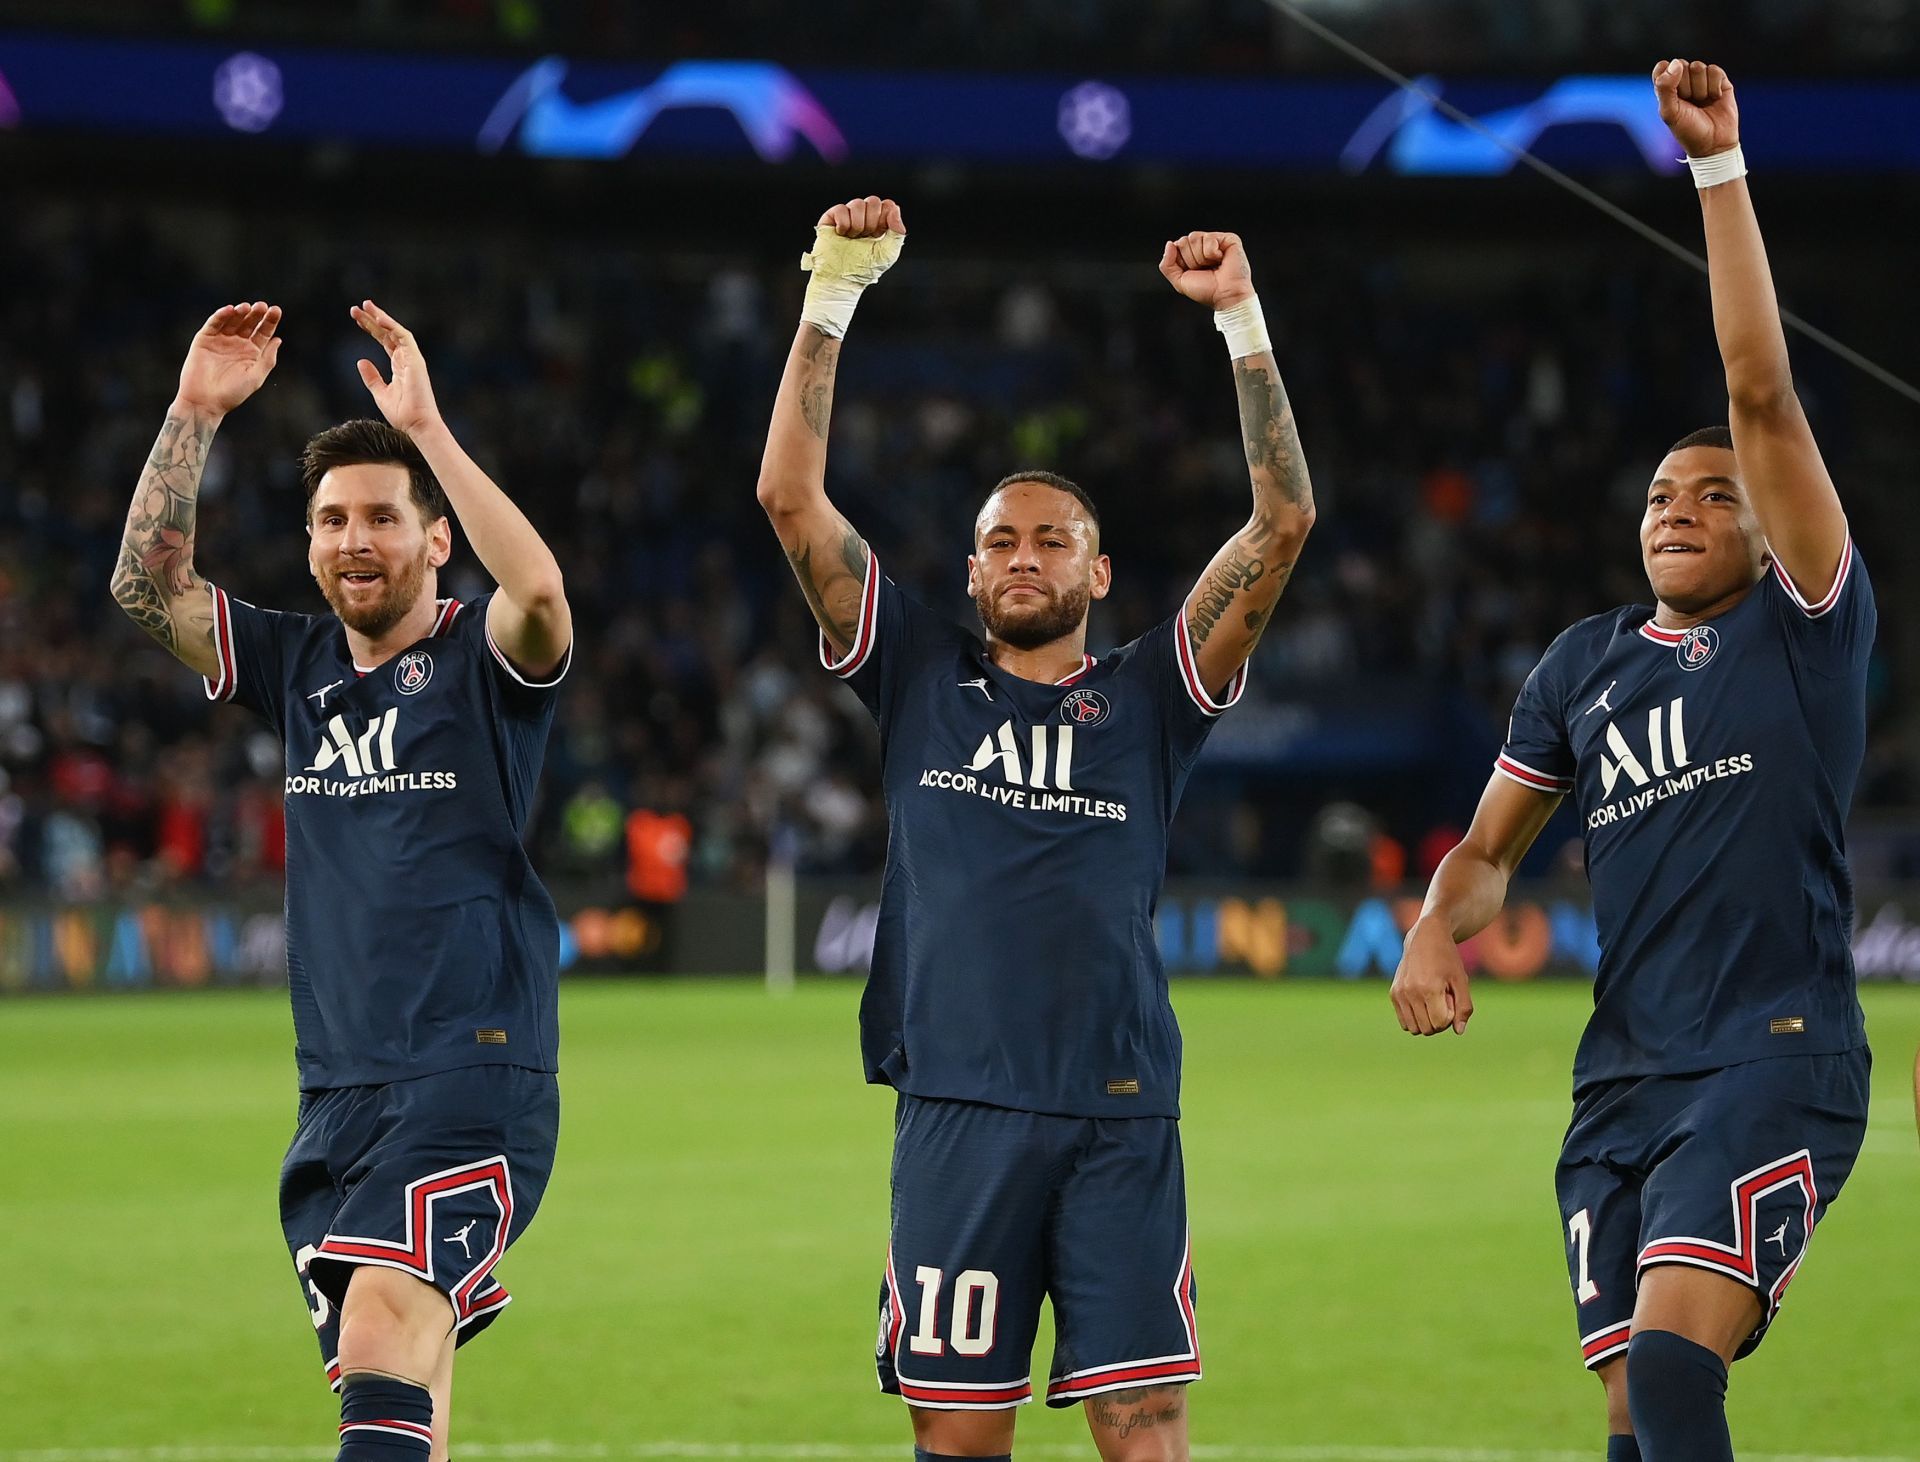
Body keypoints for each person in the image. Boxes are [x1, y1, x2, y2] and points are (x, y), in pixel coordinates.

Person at [756, 197, 1315, 1459]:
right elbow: (789, 497)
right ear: (966, 572)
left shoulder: (1153, 698)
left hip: (1119, 1106)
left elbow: (1281, 525)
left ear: (1098, 574)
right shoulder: (912, 672)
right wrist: (834, 291)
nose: (1023, 555)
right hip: (958, 1105)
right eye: (999, 539)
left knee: (1145, 1425)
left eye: (1052, 539)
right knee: (960, 1439)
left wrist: (1240, 319)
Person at [1390, 61, 1873, 1462]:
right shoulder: (1581, 665)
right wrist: (1434, 922)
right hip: (1621, 1079)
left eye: (1713, 495)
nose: (1680, 506)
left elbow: (1761, 395)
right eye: (1661, 492)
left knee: (1669, 1368)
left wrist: (1717, 174)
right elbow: (1491, 851)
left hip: (1774, 1055)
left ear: (1765, 529)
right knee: (1624, 1406)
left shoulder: (1809, 630)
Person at [110, 299, 572, 1462]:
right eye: (330, 521)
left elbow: (546, 596)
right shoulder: (294, 662)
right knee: (405, 1373)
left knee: (378, 1329)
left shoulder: (483, 658)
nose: (352, 539)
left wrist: (427, 429)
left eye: (380, 517)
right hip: (338, 1089)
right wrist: (193, 411)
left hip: (470, 1068)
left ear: (434, 540)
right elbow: (144, 588)